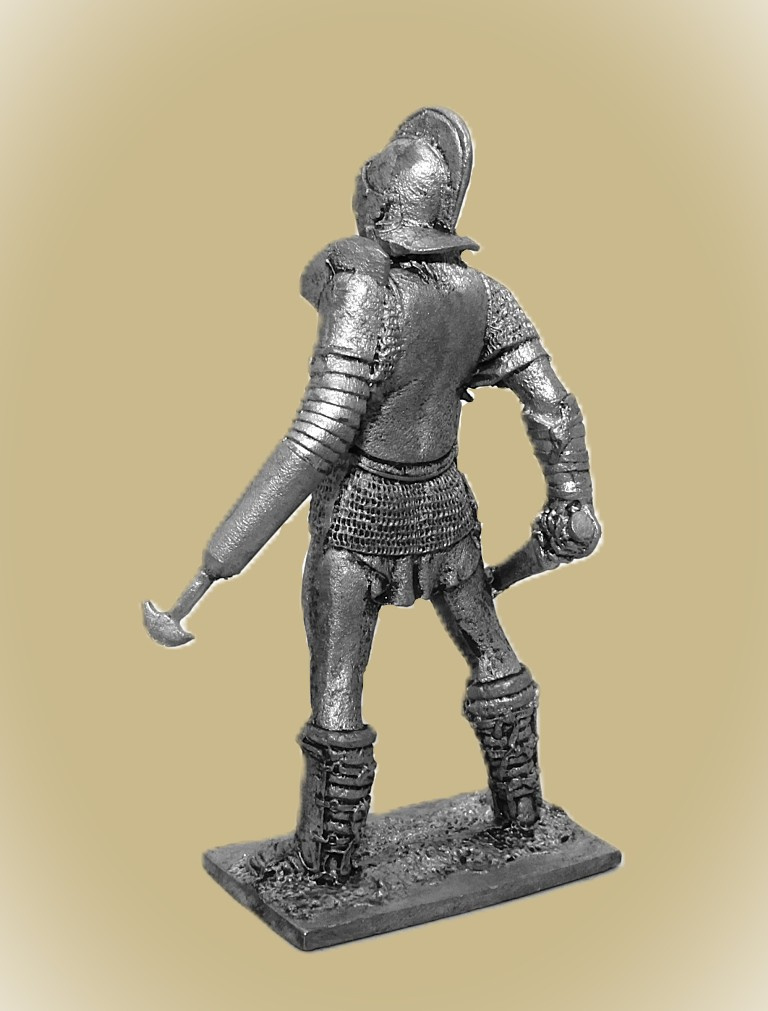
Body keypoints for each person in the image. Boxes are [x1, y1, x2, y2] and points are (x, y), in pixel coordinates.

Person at [199, 108, 601, 884]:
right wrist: (571, 494)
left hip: (358, 517)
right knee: (492, 654)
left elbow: (321, 430)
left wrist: (223, 553)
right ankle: (520, 810)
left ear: (382, 200)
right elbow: (552, 401)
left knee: (338, 690)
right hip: (446, 510)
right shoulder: (482, 294)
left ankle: (330, 859)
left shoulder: (363, 287)